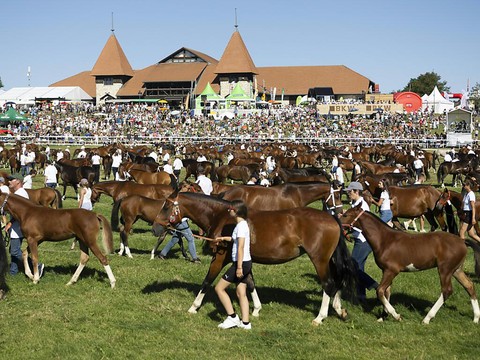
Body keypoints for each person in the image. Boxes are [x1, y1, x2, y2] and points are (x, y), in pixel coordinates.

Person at [215, 203, 252, 330]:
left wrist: (239, 267)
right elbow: (236, 239)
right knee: (241, 292)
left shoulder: (241, 226)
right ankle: (246, 323)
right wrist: (224, 238)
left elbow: (241, 246)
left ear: (236, 212)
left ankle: (232, 317)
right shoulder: (242, 225)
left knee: (219, 288)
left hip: (241, 263)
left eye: (230, 209)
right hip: (246, 262)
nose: (229, 210)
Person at [344, 181, 378, 303]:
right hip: (360, 239)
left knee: (352, 266)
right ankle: (361, 296)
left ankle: (375, 285)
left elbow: (366, 226)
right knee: (359, 268)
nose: (348, 194)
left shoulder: (362, 206)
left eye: (350, 192)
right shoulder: (356, 203)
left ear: (356, 191)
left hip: (364, 240)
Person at [5, 174, 44, 277]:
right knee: (13, 249)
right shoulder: (19, 193)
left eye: (11, 180)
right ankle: (13, 271)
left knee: (15, 251)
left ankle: (37, 266)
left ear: (18, 181)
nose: (9, 182)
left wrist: (10, 222)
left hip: (18, 226)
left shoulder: (20, 194)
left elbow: (19, 212)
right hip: (18, 225)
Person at [458, 179, 480, 243]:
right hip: (466, 213)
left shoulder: (471, 194)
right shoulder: (466, 194)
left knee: (461, 233)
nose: (463, 186)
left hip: (469, 215)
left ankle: (463, 249)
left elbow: (473, 207)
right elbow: (464, 205)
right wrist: (459, 211)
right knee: (471, 234)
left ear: (468, 185)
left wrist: (473, 218)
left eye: (464, 185)